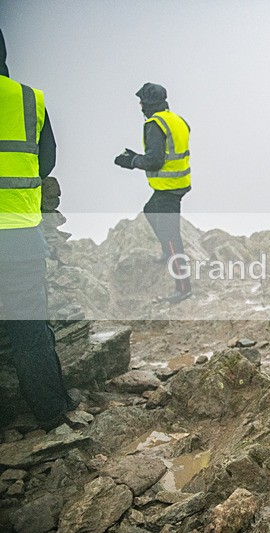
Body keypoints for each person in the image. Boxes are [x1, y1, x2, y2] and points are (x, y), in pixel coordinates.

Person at [0, 29, 80, 430]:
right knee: (30, 329)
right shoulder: (28, 99)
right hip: (18, 232)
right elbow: (44, 162)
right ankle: (51, 412)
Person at [114, 83, 192, 304]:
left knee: (171, 237)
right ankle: (168, 253)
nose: (140, 108)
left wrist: (130, 161)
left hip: (168, 188)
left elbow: (155, 160)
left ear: (149, 104)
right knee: (149, 210)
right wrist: (139, 155)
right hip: (178, 182)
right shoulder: (176, 120)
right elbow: (167, 153)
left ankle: (183, 288)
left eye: (142, 103)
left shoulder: (154, 125)